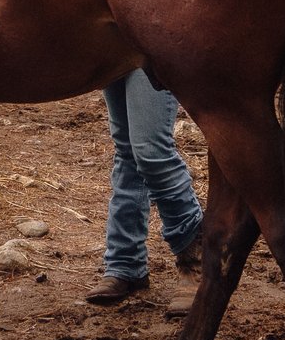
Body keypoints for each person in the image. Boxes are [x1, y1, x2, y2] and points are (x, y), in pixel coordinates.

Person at [87, 69, 207, 306]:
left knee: (152, 152)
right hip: (111, 49)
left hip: (152, 50)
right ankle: (125, 263)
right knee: (127, 150)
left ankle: (197, 260)